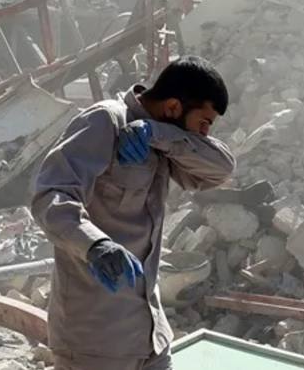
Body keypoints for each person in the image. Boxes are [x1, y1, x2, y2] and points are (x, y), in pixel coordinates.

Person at [31, 56, 271, 370]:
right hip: (96, 343)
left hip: (150, 336)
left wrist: (158, 133)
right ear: (173, 107)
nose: (202, 134)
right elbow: (50, 194)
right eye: (203, 123)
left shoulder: (160, 139)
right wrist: (95, 245)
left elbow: (221, 168)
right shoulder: (104, 122)